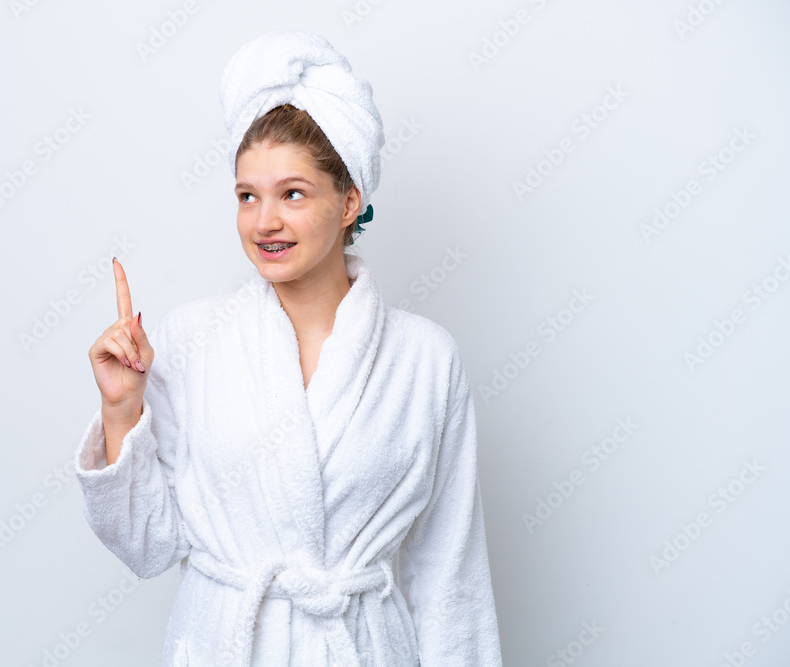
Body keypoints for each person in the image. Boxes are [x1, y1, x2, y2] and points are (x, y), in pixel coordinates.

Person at [73, 30, 503, 666]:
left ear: (350, 200)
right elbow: (147, 547)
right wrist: (120, 413)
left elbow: (450, 576)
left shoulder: (424, 360)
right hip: (225, 645)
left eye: (292, 194)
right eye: (248, 196)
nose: (263, 221)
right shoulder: (193, 341)